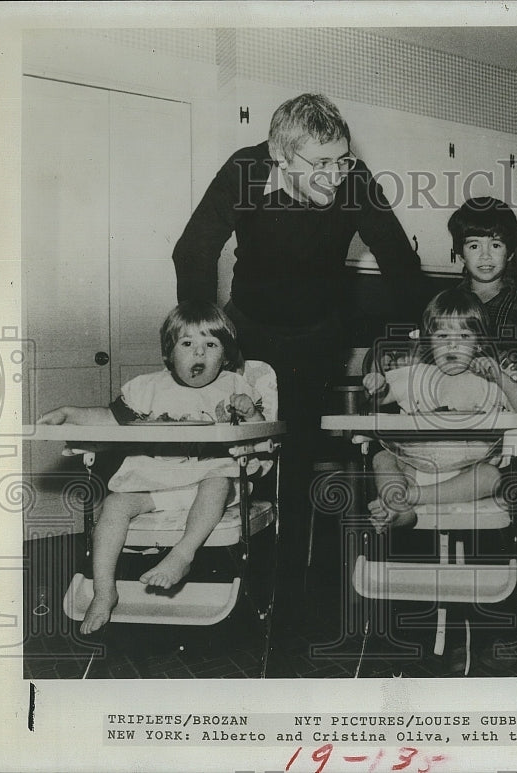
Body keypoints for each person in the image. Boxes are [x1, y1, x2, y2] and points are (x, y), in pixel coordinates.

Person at [171, 93, 430, 565]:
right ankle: (216, 556)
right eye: (322, 163)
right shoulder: (245, 171)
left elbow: (398, 258)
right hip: (248, 326)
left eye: (344, 159)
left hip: (317, 332)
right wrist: (202, 335)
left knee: (294, 460)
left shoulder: (352, 178)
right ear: (279, 155)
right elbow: (193, 249)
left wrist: (421, 336)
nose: (337, 174)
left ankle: (287, 583)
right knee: (233, 450)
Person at [36, 301, 268, 634]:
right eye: (187, 344)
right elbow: (107, 419)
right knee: (115, 503)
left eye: (211, 345)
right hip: (159, 483)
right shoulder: (147, 389)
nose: (199, 354)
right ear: (169, 353)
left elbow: (261, 438)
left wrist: (248, 414)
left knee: (218, 478)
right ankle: (104, 590)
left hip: (210, 483)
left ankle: (182, 554)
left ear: (226, 355)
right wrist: (68, 412)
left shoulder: (233, 388)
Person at [362, 288, 517, 532]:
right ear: (429, 341)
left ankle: (406, 499)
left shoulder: (490, 379)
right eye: (442, 336)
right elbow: (378, 399)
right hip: (415, 465)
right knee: (384, 458)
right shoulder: (417, 375)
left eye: (464, 336)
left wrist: (502, 380)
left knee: (492, 477)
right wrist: (377, 385)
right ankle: (399, 510)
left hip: (468, 472)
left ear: (479, 343)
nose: (452, 345)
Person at [448, 197, 517, 388]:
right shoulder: (448, 302)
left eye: (496, 245)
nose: (485, 255)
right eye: (474, 246)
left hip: (507, 403)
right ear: (460, 255)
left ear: (511, 253)